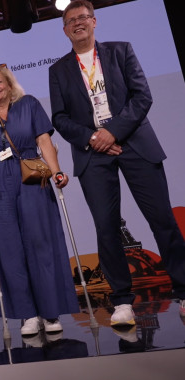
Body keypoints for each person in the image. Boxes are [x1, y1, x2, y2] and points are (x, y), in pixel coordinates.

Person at [49, 0, 185, 324]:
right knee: (106, 229)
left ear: (94, 22)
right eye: (71, 20)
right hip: (92, 154)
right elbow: (59, 118)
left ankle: (183, 290)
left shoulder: (121, 51)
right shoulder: (58, 70)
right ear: (65, 29)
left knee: (162, 220)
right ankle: (122, 301)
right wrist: (94, 138)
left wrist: (111, 132)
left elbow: (142, 96)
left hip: (136, 144)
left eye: (83, 17)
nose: (78, 23)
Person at [0, 65, 79, 336]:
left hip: (31, 178)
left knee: (40, 243)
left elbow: (43, 140)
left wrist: (57, 172)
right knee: (9, 249)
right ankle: (27, 314)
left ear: (8, 84)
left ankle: (50, 313)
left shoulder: (29, 104)